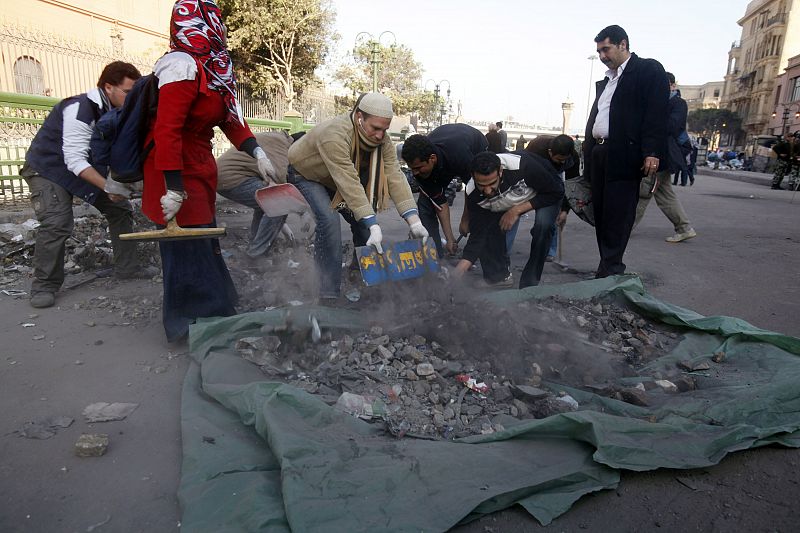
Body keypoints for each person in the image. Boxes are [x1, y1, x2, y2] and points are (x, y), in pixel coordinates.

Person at [141, 0, 277, 343]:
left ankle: (217, 307)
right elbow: (167, 131)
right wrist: (173, 188)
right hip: (173, 167)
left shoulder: (215, 67)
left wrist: (256, 151)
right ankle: (188, 323)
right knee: (185, 244)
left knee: (203, 237)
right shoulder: (180, 66)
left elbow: (230, 119)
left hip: (199, 164)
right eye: (216, 20)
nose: (223, 27)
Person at [21, 61, 157, 309]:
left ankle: (127, 268)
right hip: (48, 169)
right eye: (128, 92)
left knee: (120, 210)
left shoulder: (118, 112)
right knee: (57, 223)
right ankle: (44, 286)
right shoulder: (80, 108)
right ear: (108, 87)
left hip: (80, 169)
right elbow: (74, 159)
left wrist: (122, 184)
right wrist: (109, 187)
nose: (133, 98)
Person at [287, 92, 427, 302]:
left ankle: (359, 273)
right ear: (360, 117)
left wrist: (414, 222)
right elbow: (349, 183)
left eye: (385, 129)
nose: (380, 136)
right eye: (375, 128)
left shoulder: (383, 141)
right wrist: (373, 223)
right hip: (307, 174)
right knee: (329, 221)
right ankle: (327, 293)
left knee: (363, 225)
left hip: (333, 179)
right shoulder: (335, 135)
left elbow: (394, 175)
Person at [583, 24, 668, 278]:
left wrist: (652, 151)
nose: (602, 56)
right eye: (599, 51)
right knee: (601, 214)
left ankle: (612, 269)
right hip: (599, 153)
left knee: (618, 215)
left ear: (623, 44)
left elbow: (656, 113)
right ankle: (606, 266)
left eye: (606, 49)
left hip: (623, 155)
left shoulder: (647, 70)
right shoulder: (608, 80)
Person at [454, 151, 564, 289]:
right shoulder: (473, 193)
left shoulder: (524, 167)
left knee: (543, 226)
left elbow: (556, 191)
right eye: (481, 185)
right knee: (489, 230)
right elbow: (478, 235)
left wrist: (516, 210)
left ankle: (530, 283)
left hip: (545, 193)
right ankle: (499, 277)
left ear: (500, 171)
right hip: (509, 197)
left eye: (492, 183)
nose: (487, 191)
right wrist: (459, 270)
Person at [400, 124, 488, 256]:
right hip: (445, 154)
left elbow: (472, 188)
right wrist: (450, 238)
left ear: (432, 159)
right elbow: (440, 204)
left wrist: (465, 220)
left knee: (483, 200)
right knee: (425, 205)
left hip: (474, 146)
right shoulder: (419, 170)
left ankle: (478, 252)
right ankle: (433, 252)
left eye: (418, 168)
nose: (414, 173)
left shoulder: (460, 156)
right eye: (412, 168)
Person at [634, 71, 696, 243]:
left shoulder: (678, 103)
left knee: (645, 191)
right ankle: (684, 228)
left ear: (672, 86)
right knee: (663, 193)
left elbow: (672, 126)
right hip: (659, 155)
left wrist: (653, 118)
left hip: (663, 155)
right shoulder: (659, 102)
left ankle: (625, 227)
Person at [216, 131, 294, 257]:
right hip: (230, 177)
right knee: (279, 202)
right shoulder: (282, 146)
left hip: (227, 175)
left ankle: (254, 245)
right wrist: (288, 222)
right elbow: (280, 180)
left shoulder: (277, 138)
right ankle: (257, 254)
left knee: (268, 201)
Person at [524, 134, 580, 259]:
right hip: (533, 177)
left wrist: (565, 210)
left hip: (555, 179)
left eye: (565, 160)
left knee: (549, 220)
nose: (563, 162)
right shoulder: (536, 147)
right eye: (559, 159)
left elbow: (571, 184)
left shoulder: (573, 157)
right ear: (550, 152)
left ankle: (548, 249)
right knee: (540, 224)